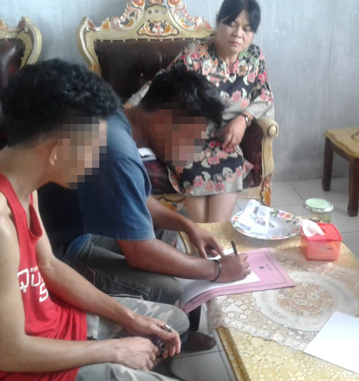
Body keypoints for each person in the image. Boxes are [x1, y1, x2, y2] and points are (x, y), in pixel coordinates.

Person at [0, 59, 200, 381]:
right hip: (20, 375)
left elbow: (48, 266)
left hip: (50, 321)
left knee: (171, 322)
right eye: (93, 148)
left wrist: (129, 318)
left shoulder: (21, 176)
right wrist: (115, 350)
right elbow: (9, 353)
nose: (96, 161)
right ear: (58, 151)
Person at [39, 66, 251, 314]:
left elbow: (133, 195)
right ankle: (165, 324)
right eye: (192, 138)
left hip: (79, 225)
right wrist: (217, 270)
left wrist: (187, 226)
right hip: (58, 250)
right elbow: (140, 254)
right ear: (165, 119)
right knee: (167, 289)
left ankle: (165, 303)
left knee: (173, 225)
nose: (193, 149)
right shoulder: (119, 152)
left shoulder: (116, 115)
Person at [128, 0, 274, 223]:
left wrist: (244, 119)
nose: (238, 34)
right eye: (232, 24)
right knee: (192, 166)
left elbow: (265, 95)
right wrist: (129, 110)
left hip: (225, 140)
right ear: (218, 22)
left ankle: (213, 237)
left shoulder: (255, 57)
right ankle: (206, 237)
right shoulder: (196, 53)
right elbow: (164, 83)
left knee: (231, 166)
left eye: (247, 29)